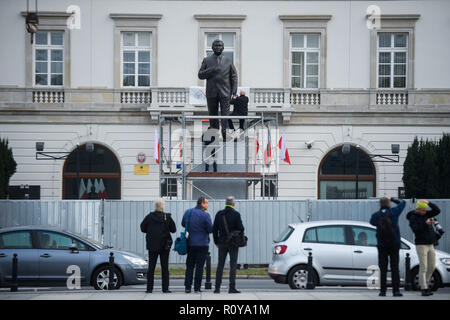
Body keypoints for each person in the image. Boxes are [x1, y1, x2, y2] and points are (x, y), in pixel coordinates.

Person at [198, 39, 238, 140]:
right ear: (212, 48)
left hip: (225, 91)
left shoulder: (228, 61)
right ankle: (213, 133)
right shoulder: (207, 60)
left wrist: (234, 90)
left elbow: (234, 76)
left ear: (223, 48)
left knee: (225, 113)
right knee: (212, 114)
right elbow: (200, 75)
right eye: (216, 46)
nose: (218, 47)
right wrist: (211, 70)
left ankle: (225, 132)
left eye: (220, 46)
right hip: (211, 92)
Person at [370, 196, 406, 297]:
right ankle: (396, 291)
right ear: (389, 204)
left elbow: (371, 222)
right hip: (394, 243)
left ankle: (383, 291)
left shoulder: (376, 215)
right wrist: (393, 198)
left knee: (383, 268)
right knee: (395, 267)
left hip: (382, 244)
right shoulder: (394, 212)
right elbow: (403, 203)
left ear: (380, 204)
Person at [140, 198, 176, 293]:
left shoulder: (149, 216)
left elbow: (142, 228)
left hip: (152, 246)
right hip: (164, 246)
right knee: (165, 268)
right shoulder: (167, 217)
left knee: (151, 268)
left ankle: (149, 289)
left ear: (155, 206)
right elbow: (174, 229)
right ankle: (165, 288)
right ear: (163, 206)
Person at [406, 199, 441, 296]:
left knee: (432, 266)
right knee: (423, 266)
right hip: (421, 244)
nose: (425, 212)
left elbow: (437, 210)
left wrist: (429, 203)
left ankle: (424, 283)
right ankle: (424, 288)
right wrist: (425, 224)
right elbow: (416, 230)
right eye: (423, 210)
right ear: (418, 209)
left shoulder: (426, 214)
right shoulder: (413, 217)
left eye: (426, 210)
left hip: (431, 244)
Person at [212, 196, 245, 294]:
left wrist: (216, 242)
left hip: (221, 243)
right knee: (233, 265)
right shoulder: (236, 214)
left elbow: (214, 230)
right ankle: (232, 288)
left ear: (225, 203)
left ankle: (217, 288)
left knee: (220, 265)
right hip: (233, 243)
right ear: (233, 204)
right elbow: (241, 228)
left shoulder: (219, 214)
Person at [182, 197, 213, 293]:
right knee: (199, 266)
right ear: (202, 204)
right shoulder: (206, 215)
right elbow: (210, 229)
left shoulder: (188, 212)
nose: (207, 205)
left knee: (190, 266)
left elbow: (183, 224)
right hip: (202, 244)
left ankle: (187, 287)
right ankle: (197, 288)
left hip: (190, 243)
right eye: (207, 203)